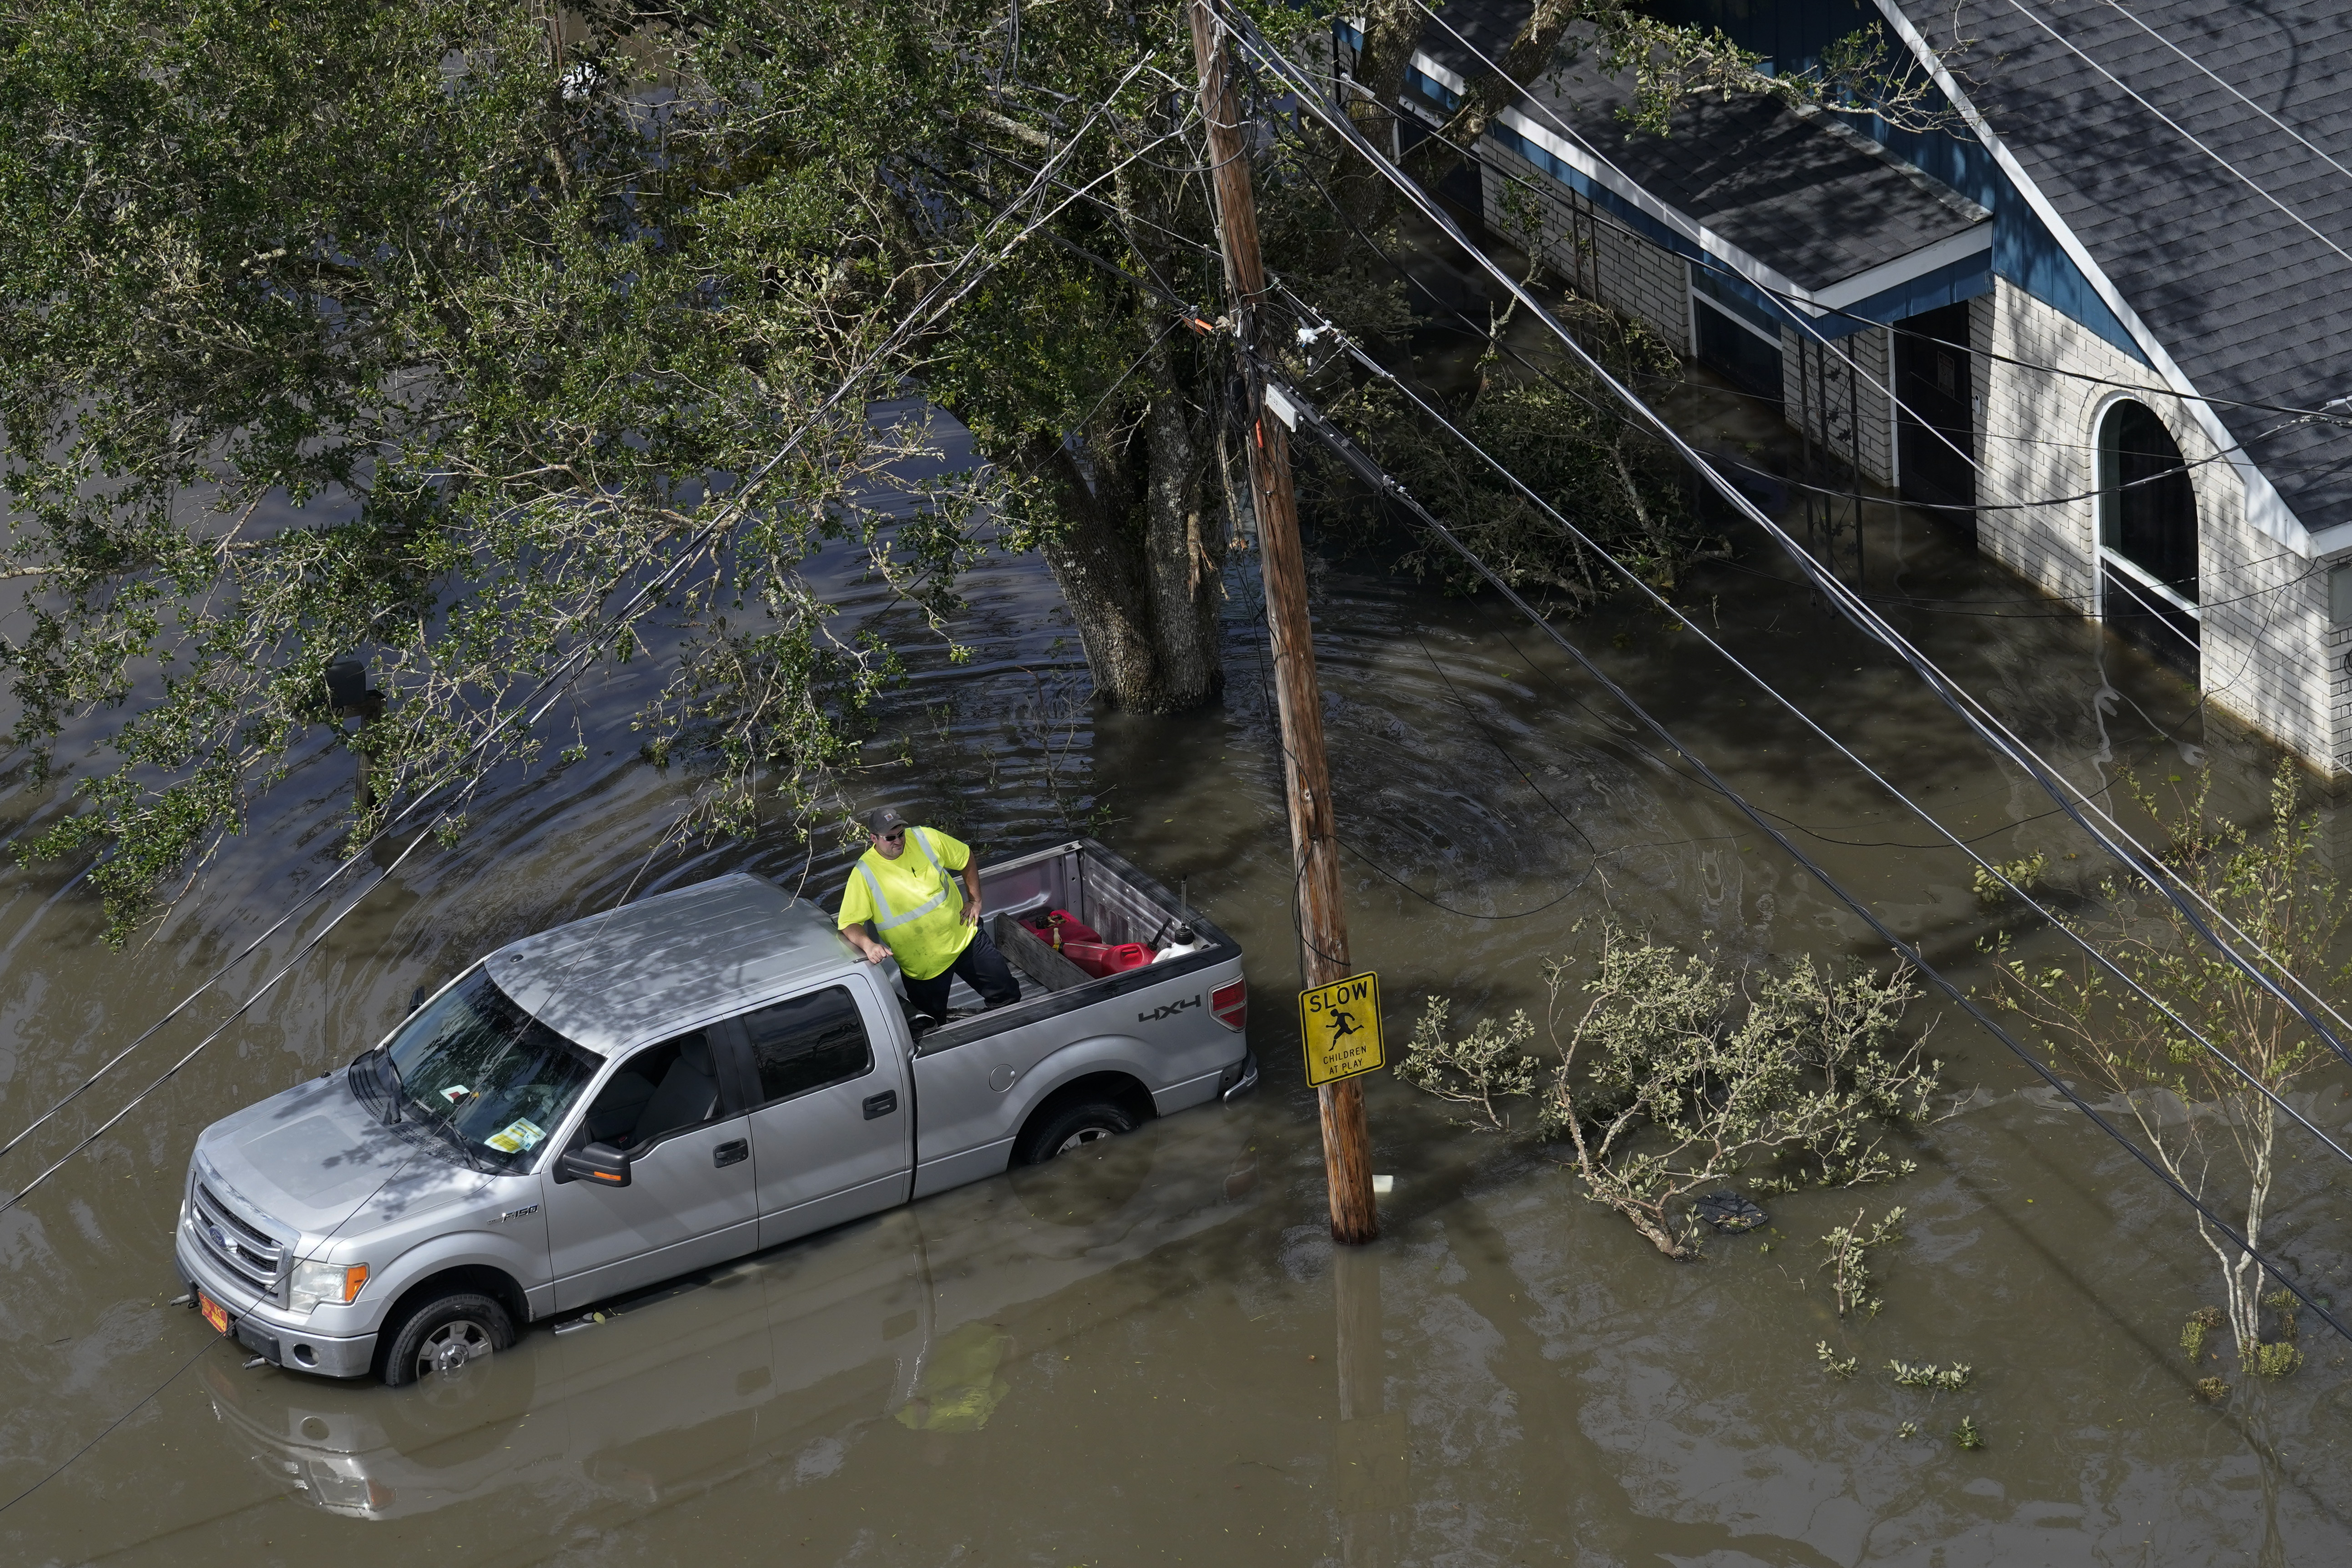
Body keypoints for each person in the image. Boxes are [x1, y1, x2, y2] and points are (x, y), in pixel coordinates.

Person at [838, 807, 1021, 1021]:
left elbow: (965, 856)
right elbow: (849, 923)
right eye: (890, 838)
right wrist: (869, 946)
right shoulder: (864, 873)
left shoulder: (925, 837)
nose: (899, 841)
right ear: (874, 839)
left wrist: (975, 901)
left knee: (1008, 995)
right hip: (923, 966)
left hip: (964, 938)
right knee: (929, 1024)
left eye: (901, 834)